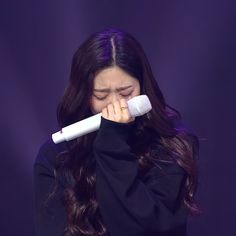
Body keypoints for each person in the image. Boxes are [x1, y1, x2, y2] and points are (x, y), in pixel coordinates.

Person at [33, 28, 200, 236]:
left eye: (125, 93)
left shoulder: (171, 147)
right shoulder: (55, 157)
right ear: (84, 95)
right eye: (101, 95)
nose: (115, 105)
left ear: (142, 88)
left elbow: (145, 228)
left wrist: (112, 144)